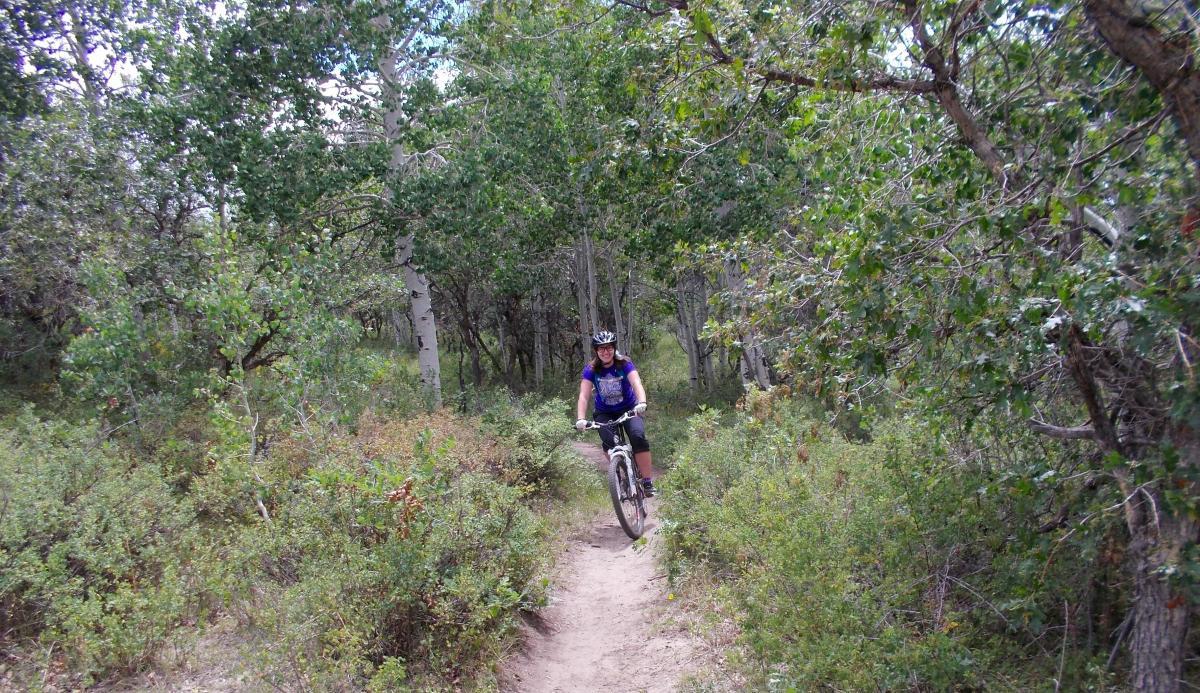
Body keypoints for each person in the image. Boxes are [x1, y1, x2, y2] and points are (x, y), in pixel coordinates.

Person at [575, 330, 655, 497]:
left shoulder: (624, 364)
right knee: (609, 442)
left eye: (609, 348)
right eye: (602, 349)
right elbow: (584, 395)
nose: (606, 352)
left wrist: (642, 402)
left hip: (629, 409)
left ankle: (647, 481)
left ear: (614, 348)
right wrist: (581, 419)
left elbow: (636, 383)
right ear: (596, 351)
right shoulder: (591, 369)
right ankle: (617, 471)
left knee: (638, 436)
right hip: (605, 412)